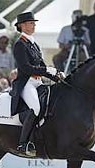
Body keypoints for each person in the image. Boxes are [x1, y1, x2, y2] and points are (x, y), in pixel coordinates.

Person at [11, 12, 60, 157]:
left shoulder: (34, 44)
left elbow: (42, 65)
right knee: (36, 108)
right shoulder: (20, 45)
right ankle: (22, 143)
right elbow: (25, 68)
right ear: (22, 26)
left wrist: (56, 75)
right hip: (26, 83)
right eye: (31, 23)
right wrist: (46, 70)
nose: (34, 25)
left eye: (33, 23)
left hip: (38, 82)